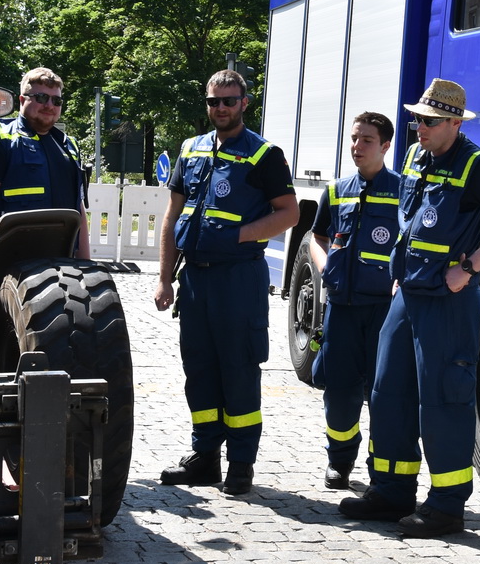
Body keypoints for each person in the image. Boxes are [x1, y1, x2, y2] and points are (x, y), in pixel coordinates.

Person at [339, 79, 480, 538]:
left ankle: (445, 505)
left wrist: (471, 266)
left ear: (455, 123)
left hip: (447, 299)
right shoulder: (415, 156)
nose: (419, 126)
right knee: (388, 392)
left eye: (430, 120)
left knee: (443, 400)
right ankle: (391, 490)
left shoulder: (477, 165)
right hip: (408, 294)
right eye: (418, 118)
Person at [155, 70, 298, 496]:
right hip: (195, 281)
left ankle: (241, 463)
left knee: (238, 372)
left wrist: (236, 235)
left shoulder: (264, 154)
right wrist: (165, 278)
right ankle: (205, 457)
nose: (221, 108)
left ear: (245, 103)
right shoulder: (191, 150)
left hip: (239, 281)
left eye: (229, 101)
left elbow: (289, 213)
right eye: (214, 101)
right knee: (199, 372)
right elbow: (172, 215)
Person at [306, 112, 400, 490]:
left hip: (384, 310)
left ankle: (382, 466)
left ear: (386, 146)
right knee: (340, 391)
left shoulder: (404, 190)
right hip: (342, 308)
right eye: (354, 138)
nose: (357, 147)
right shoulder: (336, 190)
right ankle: (340, 462)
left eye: (367, 140)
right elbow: (317, 237)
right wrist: (326, 266)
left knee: (384, 391)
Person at [0, 67, 89, 253]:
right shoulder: (0, 140)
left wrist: (86, 263)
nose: (50, 105)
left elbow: (79, 210)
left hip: (65, 259)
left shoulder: (69, 147)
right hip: (14, 260)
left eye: (57, 100)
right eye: (42, 98)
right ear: (22, 100)